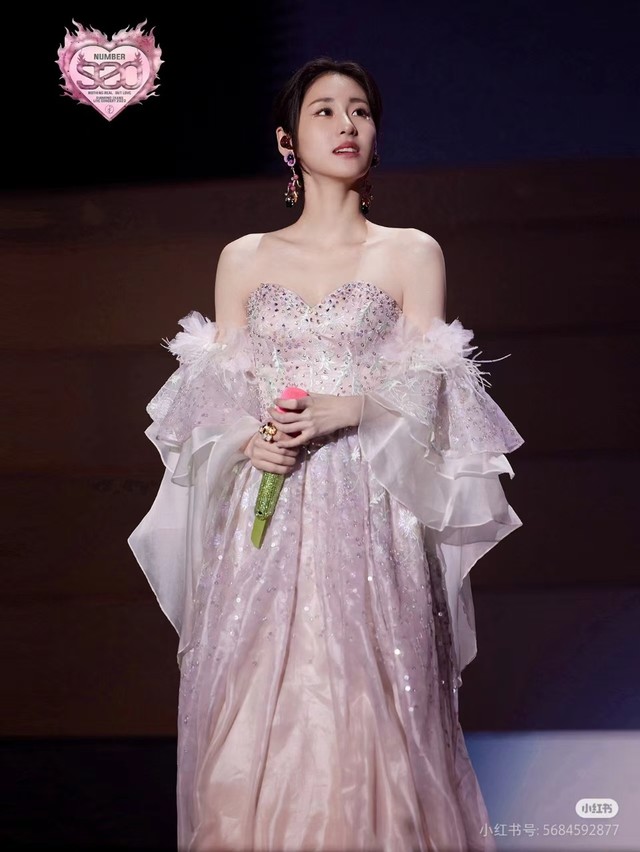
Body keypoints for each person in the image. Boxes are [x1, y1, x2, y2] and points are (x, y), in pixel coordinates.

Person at [128, 56, 523, 852]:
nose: (347, 124)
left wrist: (356, 408)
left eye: (361, 111)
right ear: (287, 141)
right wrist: (249, 441)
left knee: (376, 708)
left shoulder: (411, 252)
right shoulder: (244, 258)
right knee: (254, 711)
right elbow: (217, 399)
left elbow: (434, 392)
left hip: (373, 510)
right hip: (267, 516)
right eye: (325, 110)